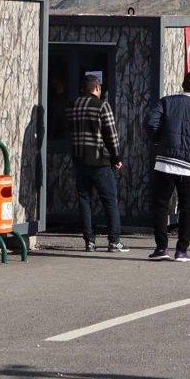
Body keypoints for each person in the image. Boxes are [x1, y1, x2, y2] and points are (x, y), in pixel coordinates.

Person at [145, 71, 190, 263]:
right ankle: (182, 251)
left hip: (165, 163)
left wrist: (159, 141)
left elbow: (150, 122)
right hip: (189, 168)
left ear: (182, 84)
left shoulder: (166, 102)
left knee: (161, 206)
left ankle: (161, 248)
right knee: (186, 208)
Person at [66, 74, 126, 252]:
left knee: (84, 200)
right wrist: (117, 158)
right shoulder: (102, 106)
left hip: (79, 160)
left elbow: (69, 132)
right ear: (97, 88)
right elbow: (111, 135)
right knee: (110, 201)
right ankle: (114, 241)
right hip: (100, 161)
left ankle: (89, 241)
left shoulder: (71, 107)